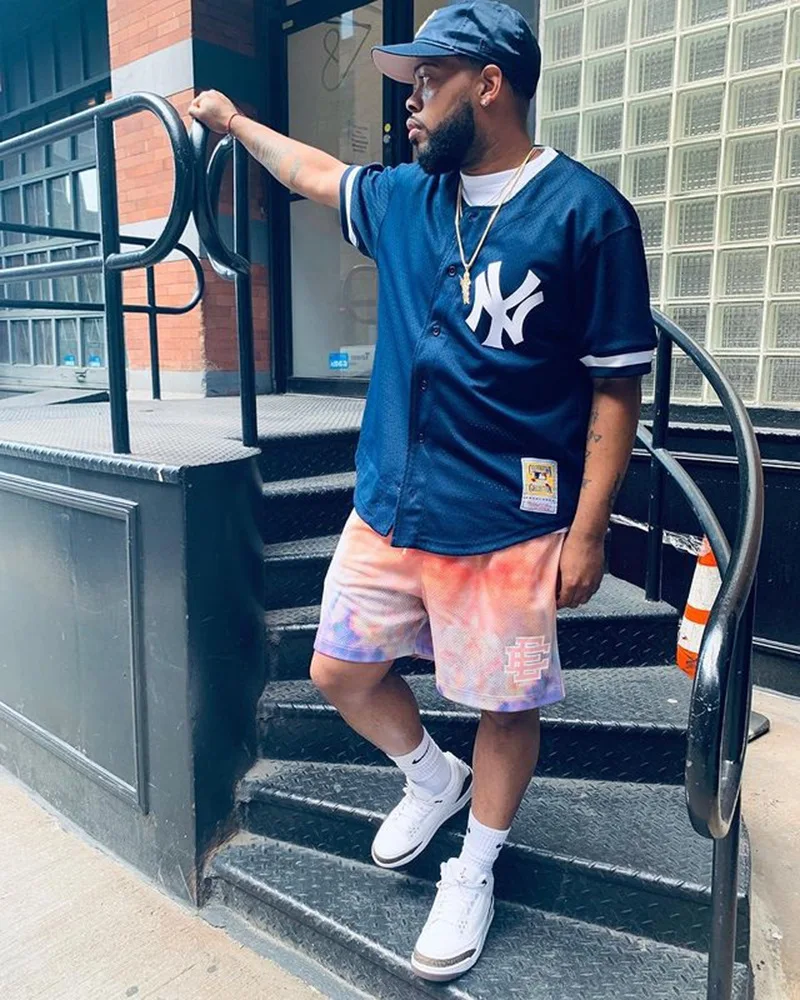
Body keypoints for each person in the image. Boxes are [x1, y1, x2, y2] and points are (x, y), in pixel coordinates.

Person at [189, 0, 656, 982]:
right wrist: (232, 123)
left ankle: (473, 864)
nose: (408, 101)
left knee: (503, 701)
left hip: (507, 515)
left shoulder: (587, 215)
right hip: (391, 501)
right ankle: (430, 776)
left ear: (488, 84)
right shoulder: (408, 198)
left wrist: (587, 531)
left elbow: (615, 387)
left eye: (426, 81)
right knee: (338, 671)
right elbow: (312, 172)